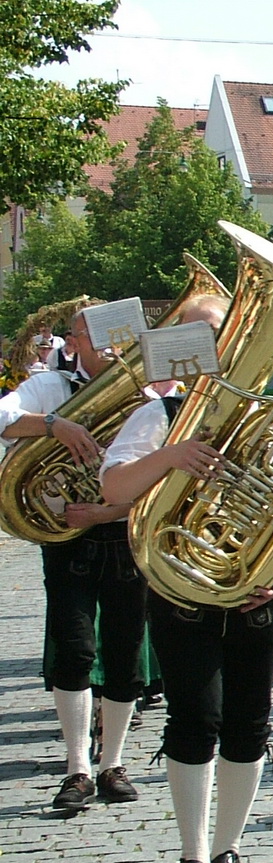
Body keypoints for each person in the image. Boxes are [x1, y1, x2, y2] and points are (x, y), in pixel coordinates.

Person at [101, 307, 273, 863]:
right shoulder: (158, 415)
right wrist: (170, 458)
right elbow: (113, 491)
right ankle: (192, 854)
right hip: (183, 591)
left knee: (250, 723)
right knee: (194, 719)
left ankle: (229, 848)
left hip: (256, 595)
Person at [0, 305, 145, 811]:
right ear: (72, 340)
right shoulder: (50, 387)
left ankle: (114, 763)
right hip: (67, 538)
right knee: (76, 651)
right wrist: (55, 425)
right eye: (94, 334)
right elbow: (1, 415)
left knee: (125, 655)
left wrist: (109, 510)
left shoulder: (144, 394)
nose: (107, 345)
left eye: (115, 335)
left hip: (123, 532)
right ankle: (77, 767)